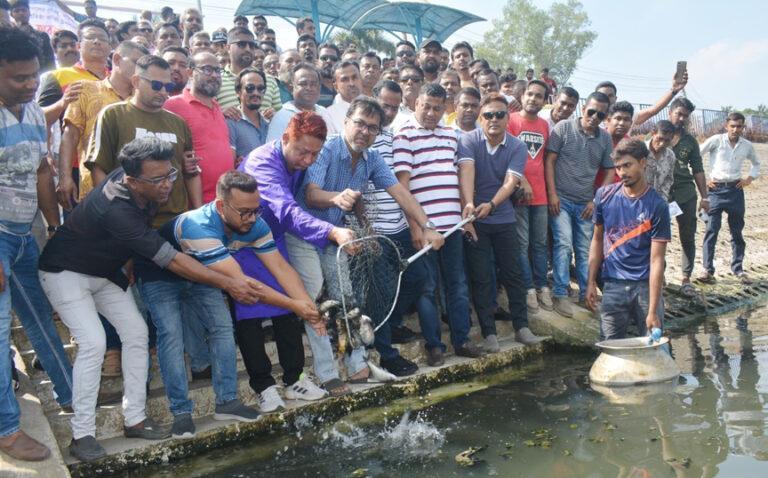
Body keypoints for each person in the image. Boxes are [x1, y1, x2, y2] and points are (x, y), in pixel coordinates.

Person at [39, 137, 262, 461]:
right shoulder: (117, 207)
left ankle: (134, 419)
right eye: (158, 180)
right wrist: (229, 282)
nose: (167, 185)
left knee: (137, 334)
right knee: (94, 343)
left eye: (170, 175)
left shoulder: (145, 182)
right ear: (130, 180)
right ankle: (82, 435)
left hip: (105, 273)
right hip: (64, 273)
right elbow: (172, 260)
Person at [298, 96, 446, 378]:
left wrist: (426, 226)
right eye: (360, 124)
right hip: (305, 234)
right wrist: (336, 198)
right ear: (346, 122)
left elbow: (401, 193)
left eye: (373, 128)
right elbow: (311, 194)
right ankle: (327, 373)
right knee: (315, 300)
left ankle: (357, 363)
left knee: (347, 300)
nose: (365, 132)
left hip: (338, 238)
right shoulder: (328, 149)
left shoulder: (373, 158)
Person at [240, 112, 358, 396]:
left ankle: (294, 378)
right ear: (284, 139)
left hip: (274, 238)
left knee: (289, 306)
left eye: (314, 154)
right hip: (243, 240)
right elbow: (288, 210)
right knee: (249, 309)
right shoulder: (261, 162)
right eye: (302, 151)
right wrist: (332, 232)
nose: (307, 160)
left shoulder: (302, 162)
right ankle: (264, 387)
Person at [0, 25, 73, 463]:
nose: (30, 85)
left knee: (42, 318)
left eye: (33, 76)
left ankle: (72, 396)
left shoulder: (30, 113)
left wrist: (52, 224)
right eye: (18, 78)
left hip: (25, 232)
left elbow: (44, 171)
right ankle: (7, 430)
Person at [393, 83, 483, 365]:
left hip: (453, 226)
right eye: (426, 106)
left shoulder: (452, 135)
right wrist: (416, 227)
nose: (431, 113)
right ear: (416, 103)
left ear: (446, 108)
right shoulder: (404, 134)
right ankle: (435, 346)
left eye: (437, 107)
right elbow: (403, 187)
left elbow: (463, 172)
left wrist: (466, 214)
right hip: (424, 227)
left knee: (457, 284)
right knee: (427, 287)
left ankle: (462, 340)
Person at [459, 92, 544, 352]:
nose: (494, 119)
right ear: (480, 118)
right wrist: (469, 205)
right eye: (488, 115)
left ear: (508, 118)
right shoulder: (468, 140)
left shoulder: (517, 146)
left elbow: (511, 181)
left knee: (514, 274)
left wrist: (493, 204)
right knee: (482, 277)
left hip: (504, 218)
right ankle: (489, 333)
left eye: (499, 114)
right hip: (475, 221)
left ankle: (522, 327)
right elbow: (467, 171)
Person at [84, 54, 202, 224]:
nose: (163, 92)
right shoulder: (113, 115)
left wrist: (197, 213)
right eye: (156, 85)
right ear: (136, 81)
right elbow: (98, 168)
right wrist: (113, 214)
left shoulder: (178, 122)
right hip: (129, 219)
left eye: (168, 86)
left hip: (175, 219)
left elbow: (191, 172)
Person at [585, 139, 670, 340]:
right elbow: (597, 241)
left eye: (627, 165)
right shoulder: (604, 196)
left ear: (643, 162)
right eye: (618, 167)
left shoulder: (657, 205)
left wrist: (652, 311)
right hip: (612, 285)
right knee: (610, 348)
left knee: (654, 346)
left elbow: (657, 260)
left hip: (645, 286)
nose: (622, 172)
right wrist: (590, 282)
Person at [545, 91, 614, 317]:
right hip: (561, 200)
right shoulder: (563, 128)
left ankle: (588, 294)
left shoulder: (605, 139)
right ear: (583, 108)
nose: (595, 117)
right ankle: (561, 294)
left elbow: (610, 170)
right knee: (563, 244)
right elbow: (550, 161)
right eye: (591, 111)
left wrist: (597, 200)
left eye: (601, 115)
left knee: (585, 251)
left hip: (585, 203)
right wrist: (552, 194)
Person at [59, 41, 148, 210]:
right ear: (116, 59)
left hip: (137, 195)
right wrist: (65, 178)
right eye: (136, 63)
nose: (140, 71)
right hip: (93, 190)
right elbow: (70, 136)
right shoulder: (86, 89)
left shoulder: (144, 100)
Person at [507, 80, 553, 313]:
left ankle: (543, 286)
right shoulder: (512, 121)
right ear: (522, 95)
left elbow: (545, 160)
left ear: (544, 101)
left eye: (539, 96)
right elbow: (508, 156)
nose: (533, 99)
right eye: (530, 94)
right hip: (519, 194)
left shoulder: (545, 125)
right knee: (522, 244)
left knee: (540, 244)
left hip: (542, 195)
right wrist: (521, 180)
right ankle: (528, 289)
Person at [699, 112, 760, 284]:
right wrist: (704, 181)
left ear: (743, 127)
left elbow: (757, 163)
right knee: (711, 230)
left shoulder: (747, 145)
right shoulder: (716, 140)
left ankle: (738, 269)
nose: (735, 129)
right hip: (715, 190)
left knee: (737, 231)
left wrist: (749, 178)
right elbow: (696, 155)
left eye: (739, 126)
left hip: (735, 190)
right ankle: (707, 269)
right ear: (726, 126)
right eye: (732, 126)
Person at [165, 51, 233, 203]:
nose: (214, 75)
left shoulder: (217, 107)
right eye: (207, 69)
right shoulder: (173, 105)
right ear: (190, 72)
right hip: (194, 203)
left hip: (223, 200)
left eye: (217, 70)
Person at [667, 97, 709, 297]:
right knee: (657, 237)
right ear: (670, 112)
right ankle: (660, 277)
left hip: (685, 195)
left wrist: (705, 197)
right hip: (661, 196)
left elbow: (698, 170)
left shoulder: (691, 141)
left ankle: (685, 278)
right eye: (679, 114)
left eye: (685, 116)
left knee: (687, 236)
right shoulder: (657, 135)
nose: (682, 118)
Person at [266, 62, 337, 142]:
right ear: (291, 87)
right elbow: (273, 150)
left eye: (313, 84)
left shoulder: (324, 112)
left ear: (319, 87)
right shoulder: (282, 116)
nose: (309, 88)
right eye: (303, 84)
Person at [595, 68, 688, 126]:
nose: (606, 99)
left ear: (615, 98)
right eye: (603, 95)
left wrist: (674, 89)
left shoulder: (626, 117)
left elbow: (653, 110)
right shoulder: (590, 120)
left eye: (610, 95)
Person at [227, 67, 270, 163]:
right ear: (238, 92)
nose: (256, 93)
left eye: (260, 88)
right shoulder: (231, 122)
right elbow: (230, 163)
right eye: (250, 88)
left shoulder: (270, 121)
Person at [216, 27, 257, 112]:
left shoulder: (269, 80)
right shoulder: (216, 80)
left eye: (252, 45)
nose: (248, 49)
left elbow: (282, 119)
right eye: (241, 44)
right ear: (228, 48)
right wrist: (222, 114)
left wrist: (274, 114)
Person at [9, 0, 55, 71]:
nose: (21, 13)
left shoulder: (42, 36)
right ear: (11, 14)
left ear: (29, 12)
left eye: (24, 10)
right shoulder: (7, 36)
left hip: (39, 74)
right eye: (17, 11)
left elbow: (50, 62)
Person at [644, 120, 677, 202]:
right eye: (660, 138)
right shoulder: (640, 150)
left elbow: (669, 179)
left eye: (667, 141)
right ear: (653, 134)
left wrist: (663, 199)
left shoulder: (670, 156)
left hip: (659, 201)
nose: (662, 144)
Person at [326, 60, 362, 131]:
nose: (352, 83)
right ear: (336, 86)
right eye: (345, 79)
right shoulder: (328, 115)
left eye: (355, 77)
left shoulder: (374, 107)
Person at [390, 64, 423, 131]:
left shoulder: (431, 112)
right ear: (398, 84)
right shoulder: (390, 113)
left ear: (423, 83)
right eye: (404, 79)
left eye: (415, 79)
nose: (410, 82)